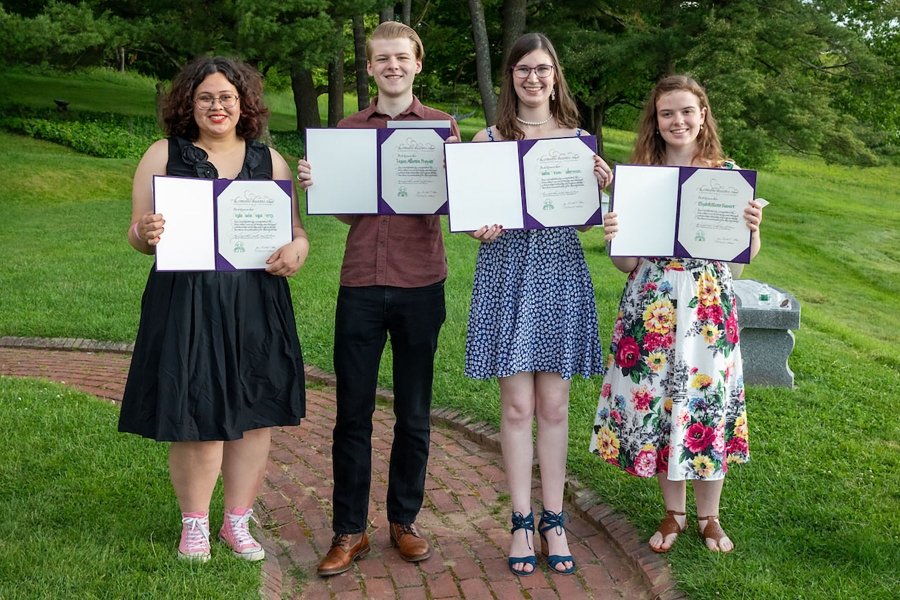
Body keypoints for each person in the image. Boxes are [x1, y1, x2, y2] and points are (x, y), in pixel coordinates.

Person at [119, 56, 309, 564]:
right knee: (195, 409)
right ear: (189, 103)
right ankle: (195, 525)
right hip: (187, 301)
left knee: (256, 411)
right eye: (206, 97)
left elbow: (295, 231)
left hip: (256, 300)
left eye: (227, 97)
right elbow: (137, 233)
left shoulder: (270, 161)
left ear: (244, 103)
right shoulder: (163, 154)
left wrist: (297, 249)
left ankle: (236, 522)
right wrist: (144, 232)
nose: (217, 106)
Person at [295, 21, 461, 577]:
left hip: (421, 284)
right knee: (352, 414)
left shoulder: (442, 128)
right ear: (369, 67)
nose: (393, 66)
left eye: (402, 57)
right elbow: (349, 212)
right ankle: (350, 530)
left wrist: (461, 174)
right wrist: (321, 185)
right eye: (382, 59)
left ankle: (403, 521)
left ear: (417, 63)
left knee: (414, 412)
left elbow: (454, 206)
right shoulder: (347, 130)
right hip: (361, 284)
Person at [589, 74, 764, 554]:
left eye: (687, 111)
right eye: (667, 113)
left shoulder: (727, 176)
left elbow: (737, 263)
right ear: (656, 120)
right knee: (662, 404)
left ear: (703, 115)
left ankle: (710, 516)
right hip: (653, 304)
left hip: (708, 305)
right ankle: (675, 513)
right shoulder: (640, 176)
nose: (678, 121)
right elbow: (627, 263)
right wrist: (615, 236)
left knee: (708, 401)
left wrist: (751, 231)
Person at [464, 32, 613, 577]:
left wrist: (603, 190)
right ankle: (521, 522)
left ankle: (555, 520)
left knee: (553, 407)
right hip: (506, 271)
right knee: (516, 408)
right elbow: (472, 215)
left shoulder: (579, 142)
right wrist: (478, 228)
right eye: (523, 68)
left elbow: (585, 220)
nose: (533, 77)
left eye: (543, 69)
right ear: (511, 77)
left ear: (555, 78)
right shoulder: (486, 140)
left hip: (558, 273)